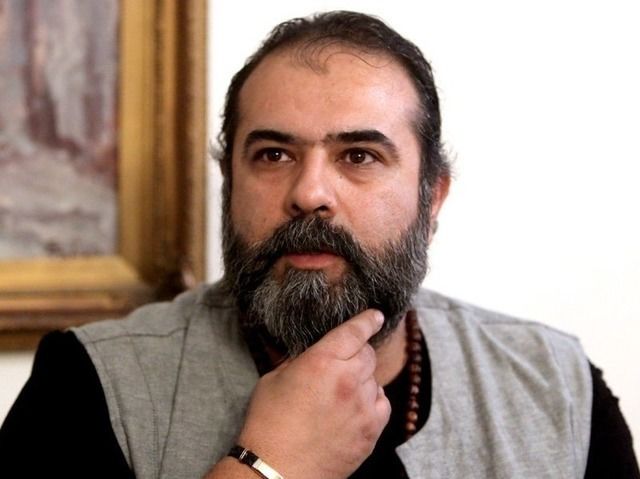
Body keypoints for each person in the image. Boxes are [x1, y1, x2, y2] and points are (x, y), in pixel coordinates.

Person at [1, 10, 638, 479]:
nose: (309, 193)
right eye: (273, 154)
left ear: (432, 198)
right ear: (230, 185)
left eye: (359, 155)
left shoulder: (557, 388)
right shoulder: (89, 384)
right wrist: (269, 465)